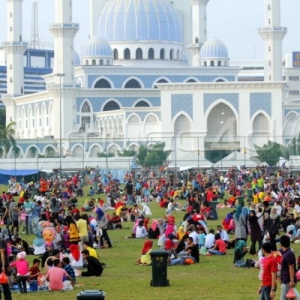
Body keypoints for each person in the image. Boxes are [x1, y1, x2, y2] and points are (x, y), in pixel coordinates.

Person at [279, 235, 298, 300]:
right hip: (285, 279)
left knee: (283, 298)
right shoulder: (286, 253)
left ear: (281, 244)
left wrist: (291, 280)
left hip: (287, 281)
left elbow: (291, 267)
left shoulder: (288, 254)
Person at [0, 234, 12, 300]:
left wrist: (3, 265)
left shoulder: (1, 241)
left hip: (2, 264)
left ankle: (8, 297)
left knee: (4, 282)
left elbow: (2, 253)